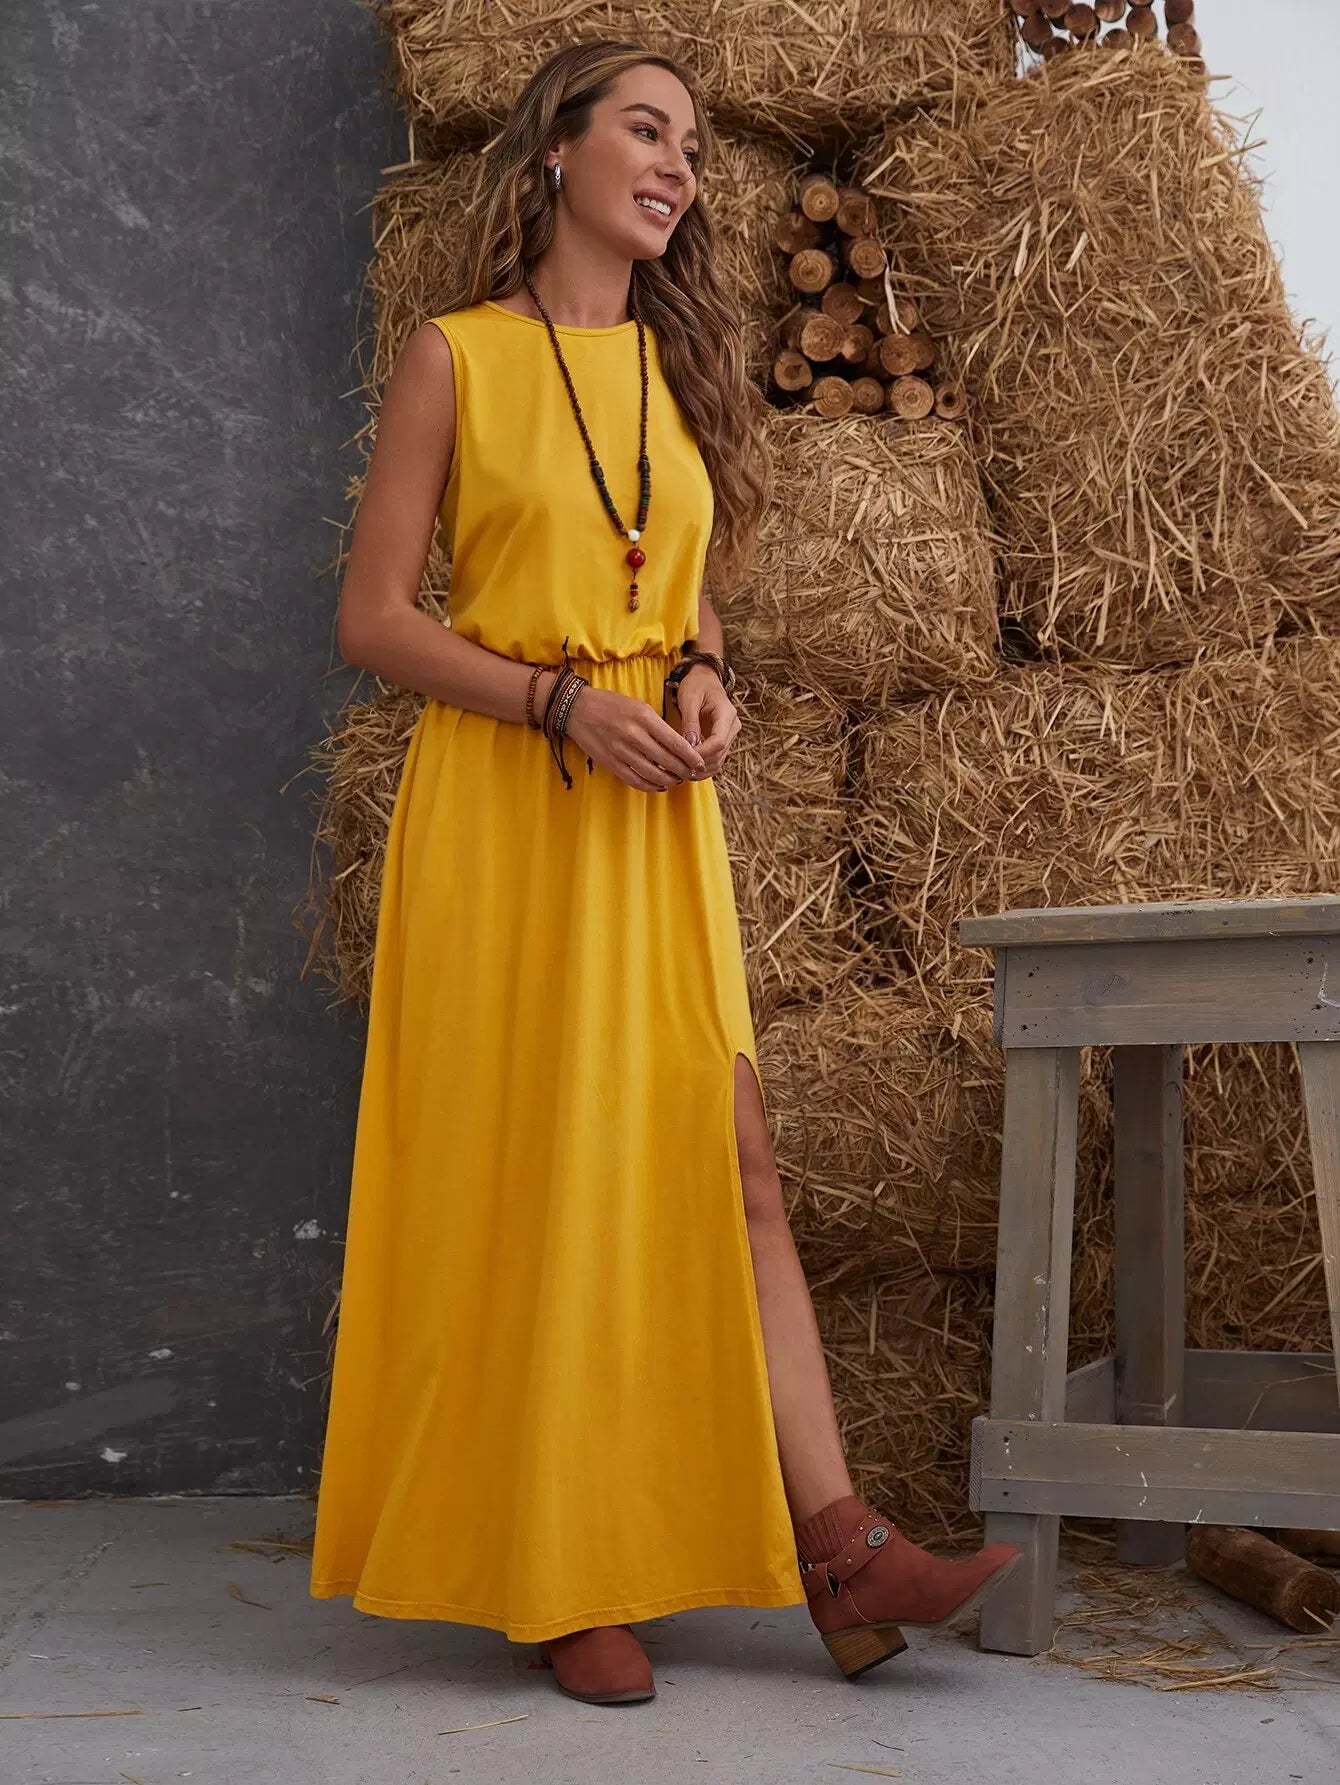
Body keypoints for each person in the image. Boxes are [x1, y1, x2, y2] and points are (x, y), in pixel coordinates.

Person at [308, 37, 1019, 1707]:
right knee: (543, 1177)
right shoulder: (457, 358)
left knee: (729, 1156)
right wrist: (561, 702)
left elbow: (675, 578)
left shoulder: (675, 368)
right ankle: (561, 1575)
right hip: (511, 805)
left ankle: (842, 1551)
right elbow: (375, 620)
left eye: (691, 143)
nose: (680, 164)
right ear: (556, 151)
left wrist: (703, 672)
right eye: (647, 129)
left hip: (651, 818)